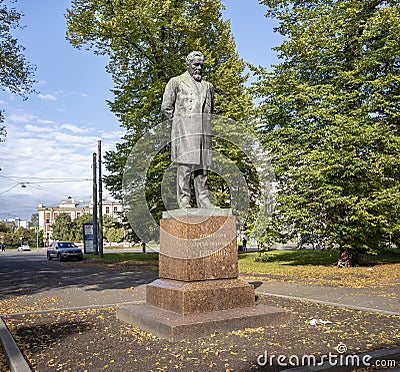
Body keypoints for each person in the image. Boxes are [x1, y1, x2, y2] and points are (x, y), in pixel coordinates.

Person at [161, 51, 214, 209]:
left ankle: (204, 200)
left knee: (203, 169)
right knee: (184, 167)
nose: (199, 68)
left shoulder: (208, 86)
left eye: (201, 65)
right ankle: (184, 200)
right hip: (185, 131)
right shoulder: (176, 82)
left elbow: (211, 111)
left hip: (204, 133)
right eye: (196, 65)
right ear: (188, 64)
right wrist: (180, 124)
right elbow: (166, 107)